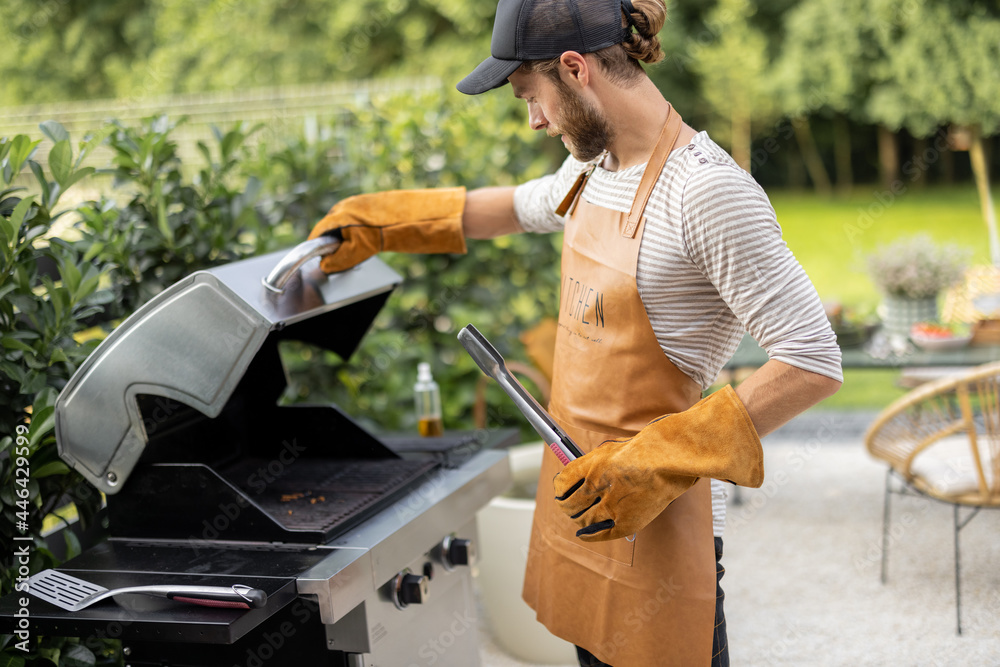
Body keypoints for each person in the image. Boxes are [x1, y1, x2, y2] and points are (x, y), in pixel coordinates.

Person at [308, 0, 843, 663]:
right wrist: (383, 223)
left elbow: (812, 357)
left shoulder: (705, 193)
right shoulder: (595, 166)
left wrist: (656, 458)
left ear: (575, 68)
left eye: (531, 96)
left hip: (661, 531)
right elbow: (519, 206)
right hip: (587, 508)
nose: (532, 119)